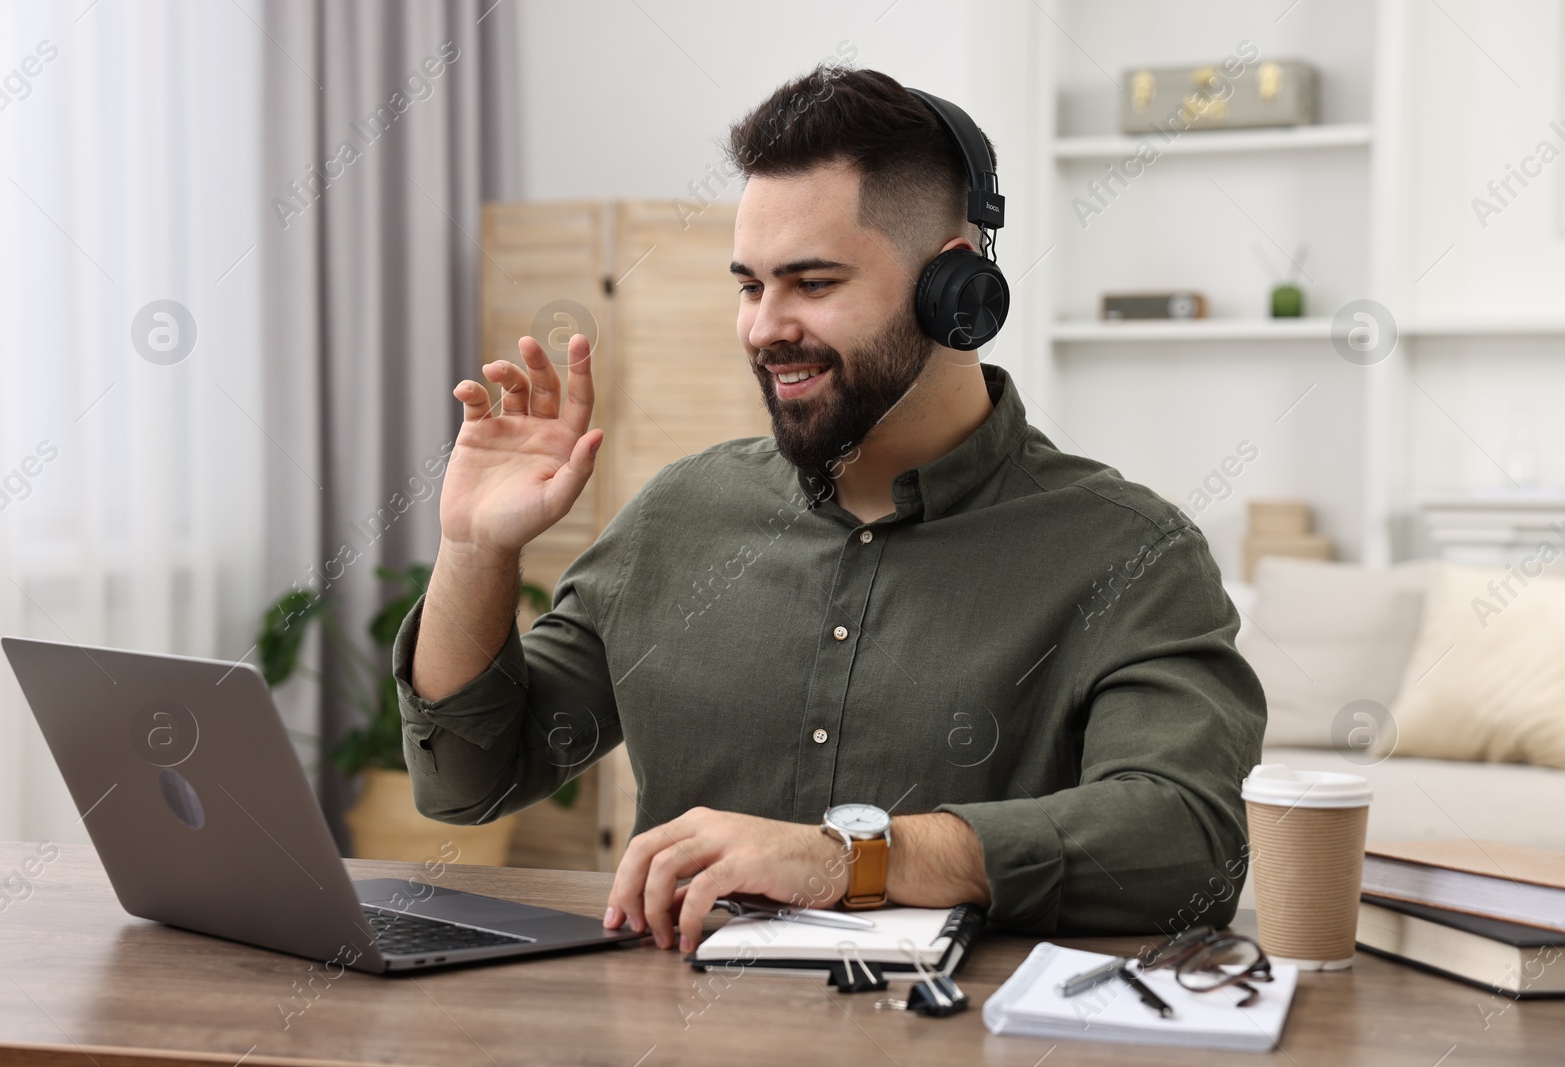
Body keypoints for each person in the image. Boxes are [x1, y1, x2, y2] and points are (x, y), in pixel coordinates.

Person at [392, 65, 1265, 956]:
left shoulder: (1132, 552)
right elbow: (465, 781)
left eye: (811, 283)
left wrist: (851, 857)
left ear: (954, 293)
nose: (764, 327)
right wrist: (471, 548)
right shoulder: (678, 516)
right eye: (749, 285)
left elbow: (1186, 842)